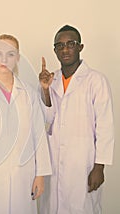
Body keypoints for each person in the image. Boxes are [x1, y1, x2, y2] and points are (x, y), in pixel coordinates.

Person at [0, 34, 52, 214]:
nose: (4, 60)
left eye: (10, 54)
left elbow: (38, 134)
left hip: (23, 173)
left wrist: (40, 174)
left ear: (18, 58)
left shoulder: (28, 93)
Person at [39, 25, 114, 214]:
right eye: (60, 45)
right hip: (54, 161)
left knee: (83, 207)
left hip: (83, 162)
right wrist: (46, 90)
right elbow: (46, 121)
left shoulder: (96, 80)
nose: (65, 49)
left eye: (70, 44)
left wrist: (99, 167)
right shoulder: (51, 80)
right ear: (55, 50)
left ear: (80, 47)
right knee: (53, 207)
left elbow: (105, 127)